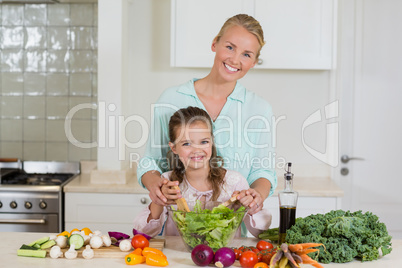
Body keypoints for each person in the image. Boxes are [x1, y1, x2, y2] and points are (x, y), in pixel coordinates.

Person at [137, 14, 277, 218]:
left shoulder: (259, 109)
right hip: (176, 228)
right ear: (215, 44)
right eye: (230, 47)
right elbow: (151, 161)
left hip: (231, 235)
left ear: (254, 62)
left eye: (247, 54)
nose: (235, 59)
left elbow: (263, 172)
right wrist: (156, 185)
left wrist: (257, 195)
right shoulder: (170, 99)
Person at [133, 107, 272, 237]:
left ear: (212, 142)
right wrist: (160, 200)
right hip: (179, 260)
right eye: (186, 143)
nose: (196, 150)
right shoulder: (168, 183)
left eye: (204, 142)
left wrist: (251, 206)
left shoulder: (234, 182)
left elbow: (260, 232)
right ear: (174, 148)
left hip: (224, 260)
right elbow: (143, 232)